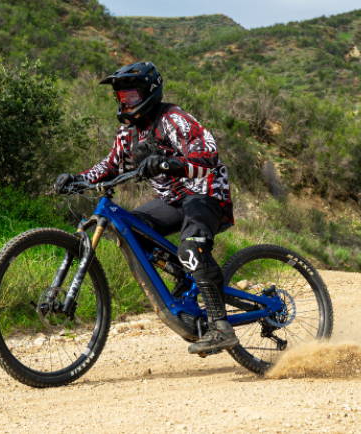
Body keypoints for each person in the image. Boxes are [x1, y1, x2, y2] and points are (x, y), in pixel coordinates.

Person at [54, 61, 238, 355]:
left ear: (150, 92)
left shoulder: (174, 119)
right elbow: (110, 166)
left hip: (205, 193)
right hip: (172, 201)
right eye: (121, 97)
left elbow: (208, 156)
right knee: (131, 230)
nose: (126, 102)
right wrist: (78, 179)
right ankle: (185, 280)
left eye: (132, 96)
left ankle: (221, 328)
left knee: (190, 248)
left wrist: (169, 163)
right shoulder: (128, 133)